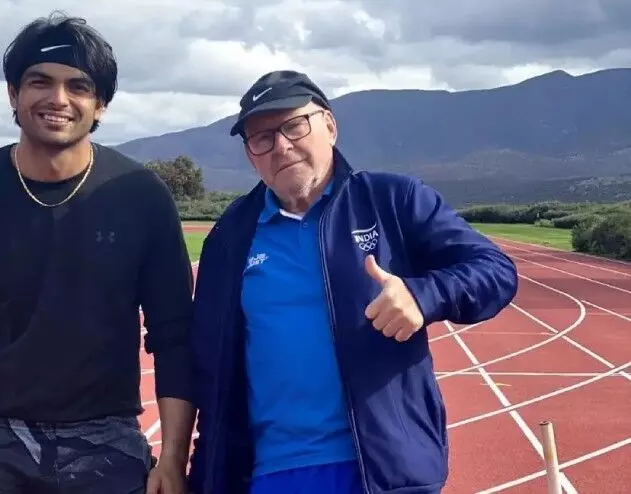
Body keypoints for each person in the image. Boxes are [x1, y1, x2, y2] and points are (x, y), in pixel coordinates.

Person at [185, 70, 519, 494]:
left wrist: (423, 294)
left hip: (383, 473)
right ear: (251, 155)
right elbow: (212, 366)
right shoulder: (231, 236)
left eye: (293, 125)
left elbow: (494, 270)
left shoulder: (392, 200)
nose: (281, 146)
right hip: (268, 474)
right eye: (262, 137)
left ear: (329, 124)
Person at [0, 12, 194, 494]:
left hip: (107, 438)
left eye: (78, 86)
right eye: (39, 82)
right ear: (13, 94)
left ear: (100, 104)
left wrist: (171, 458)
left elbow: (174, 338)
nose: (58, 99)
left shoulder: (142, 196)